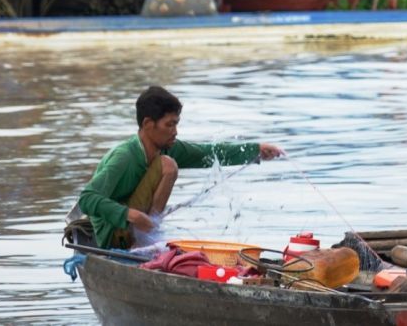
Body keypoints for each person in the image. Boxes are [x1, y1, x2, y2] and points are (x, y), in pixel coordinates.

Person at [77, 86, 285, 249]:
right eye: (169, 125)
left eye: (176, 124)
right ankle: (144, 240)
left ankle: (146, 236)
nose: (175, 131)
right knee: (168, 166)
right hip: (112, 237)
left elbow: (206, 152)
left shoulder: (167, 147)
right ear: (148, 124)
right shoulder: (124, 157)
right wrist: (131, 215)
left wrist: (255, 150)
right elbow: (86, 199)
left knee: (167, 162)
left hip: (137, 227)